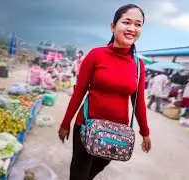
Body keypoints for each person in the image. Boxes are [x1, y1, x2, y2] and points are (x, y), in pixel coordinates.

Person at [58, 4, 151, 180]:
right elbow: (79, 92)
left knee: (92, 172)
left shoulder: (139, 65)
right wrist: (65, 123)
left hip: (116, 135)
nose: (132, 28)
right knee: (79, 174)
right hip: (86, 128)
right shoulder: (96, 55)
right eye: (126, 22)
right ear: (113, 26)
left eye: (138, 24)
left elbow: (138, 102)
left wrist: (145, 132)